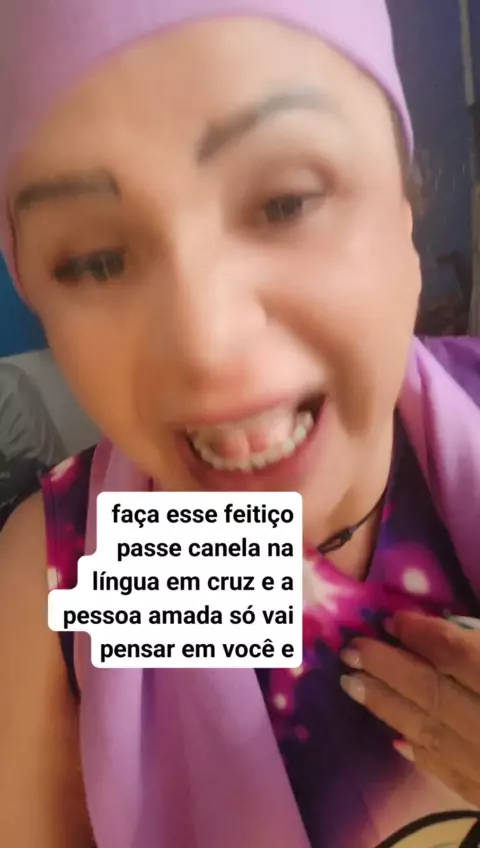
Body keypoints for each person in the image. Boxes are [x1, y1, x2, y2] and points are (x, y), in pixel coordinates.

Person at [0, 1, 479, 846]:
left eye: (285, 203)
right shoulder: (76, 581)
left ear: (406, 209)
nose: (206, 346)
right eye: (97, 260)